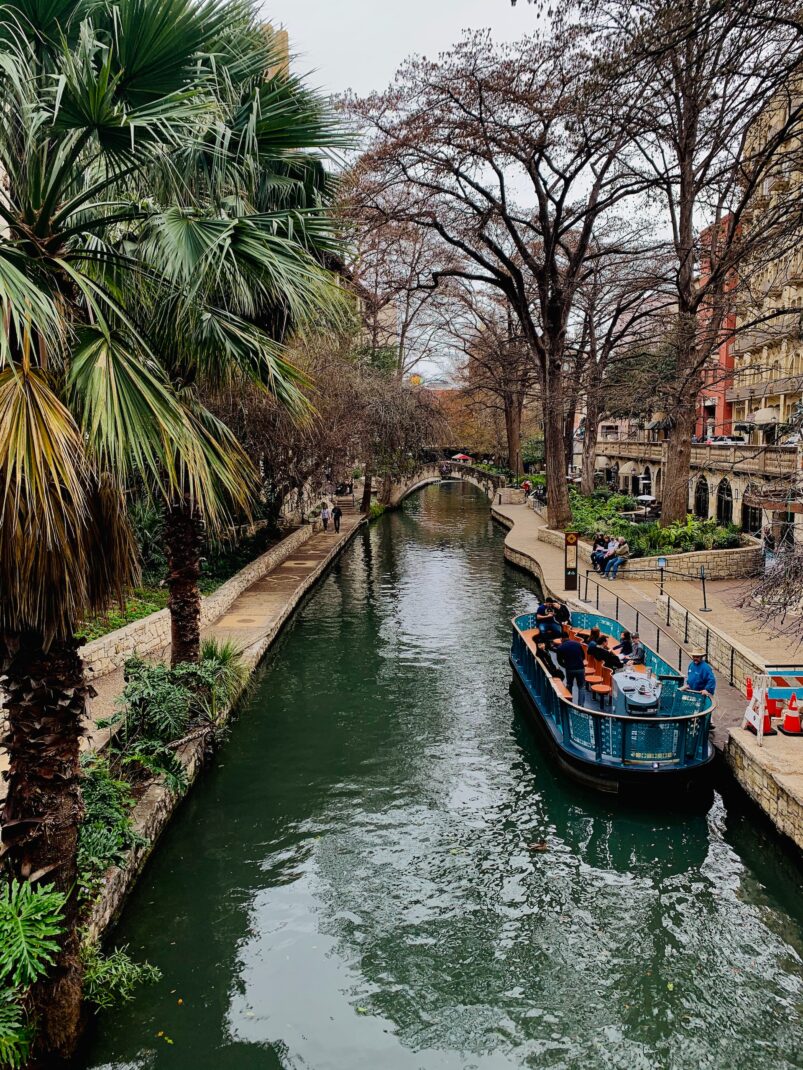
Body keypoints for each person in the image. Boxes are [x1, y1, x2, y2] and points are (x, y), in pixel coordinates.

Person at [556, 636, 586, 700]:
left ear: (561, 639)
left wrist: (565, 665)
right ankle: (581, 705)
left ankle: (569, 701)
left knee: (569, 684)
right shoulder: (577, 644)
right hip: (580, 668)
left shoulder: (560, 647)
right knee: (581, 687)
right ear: (568, 637)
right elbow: (583, 656)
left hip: (569, 669)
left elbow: (559, 661)